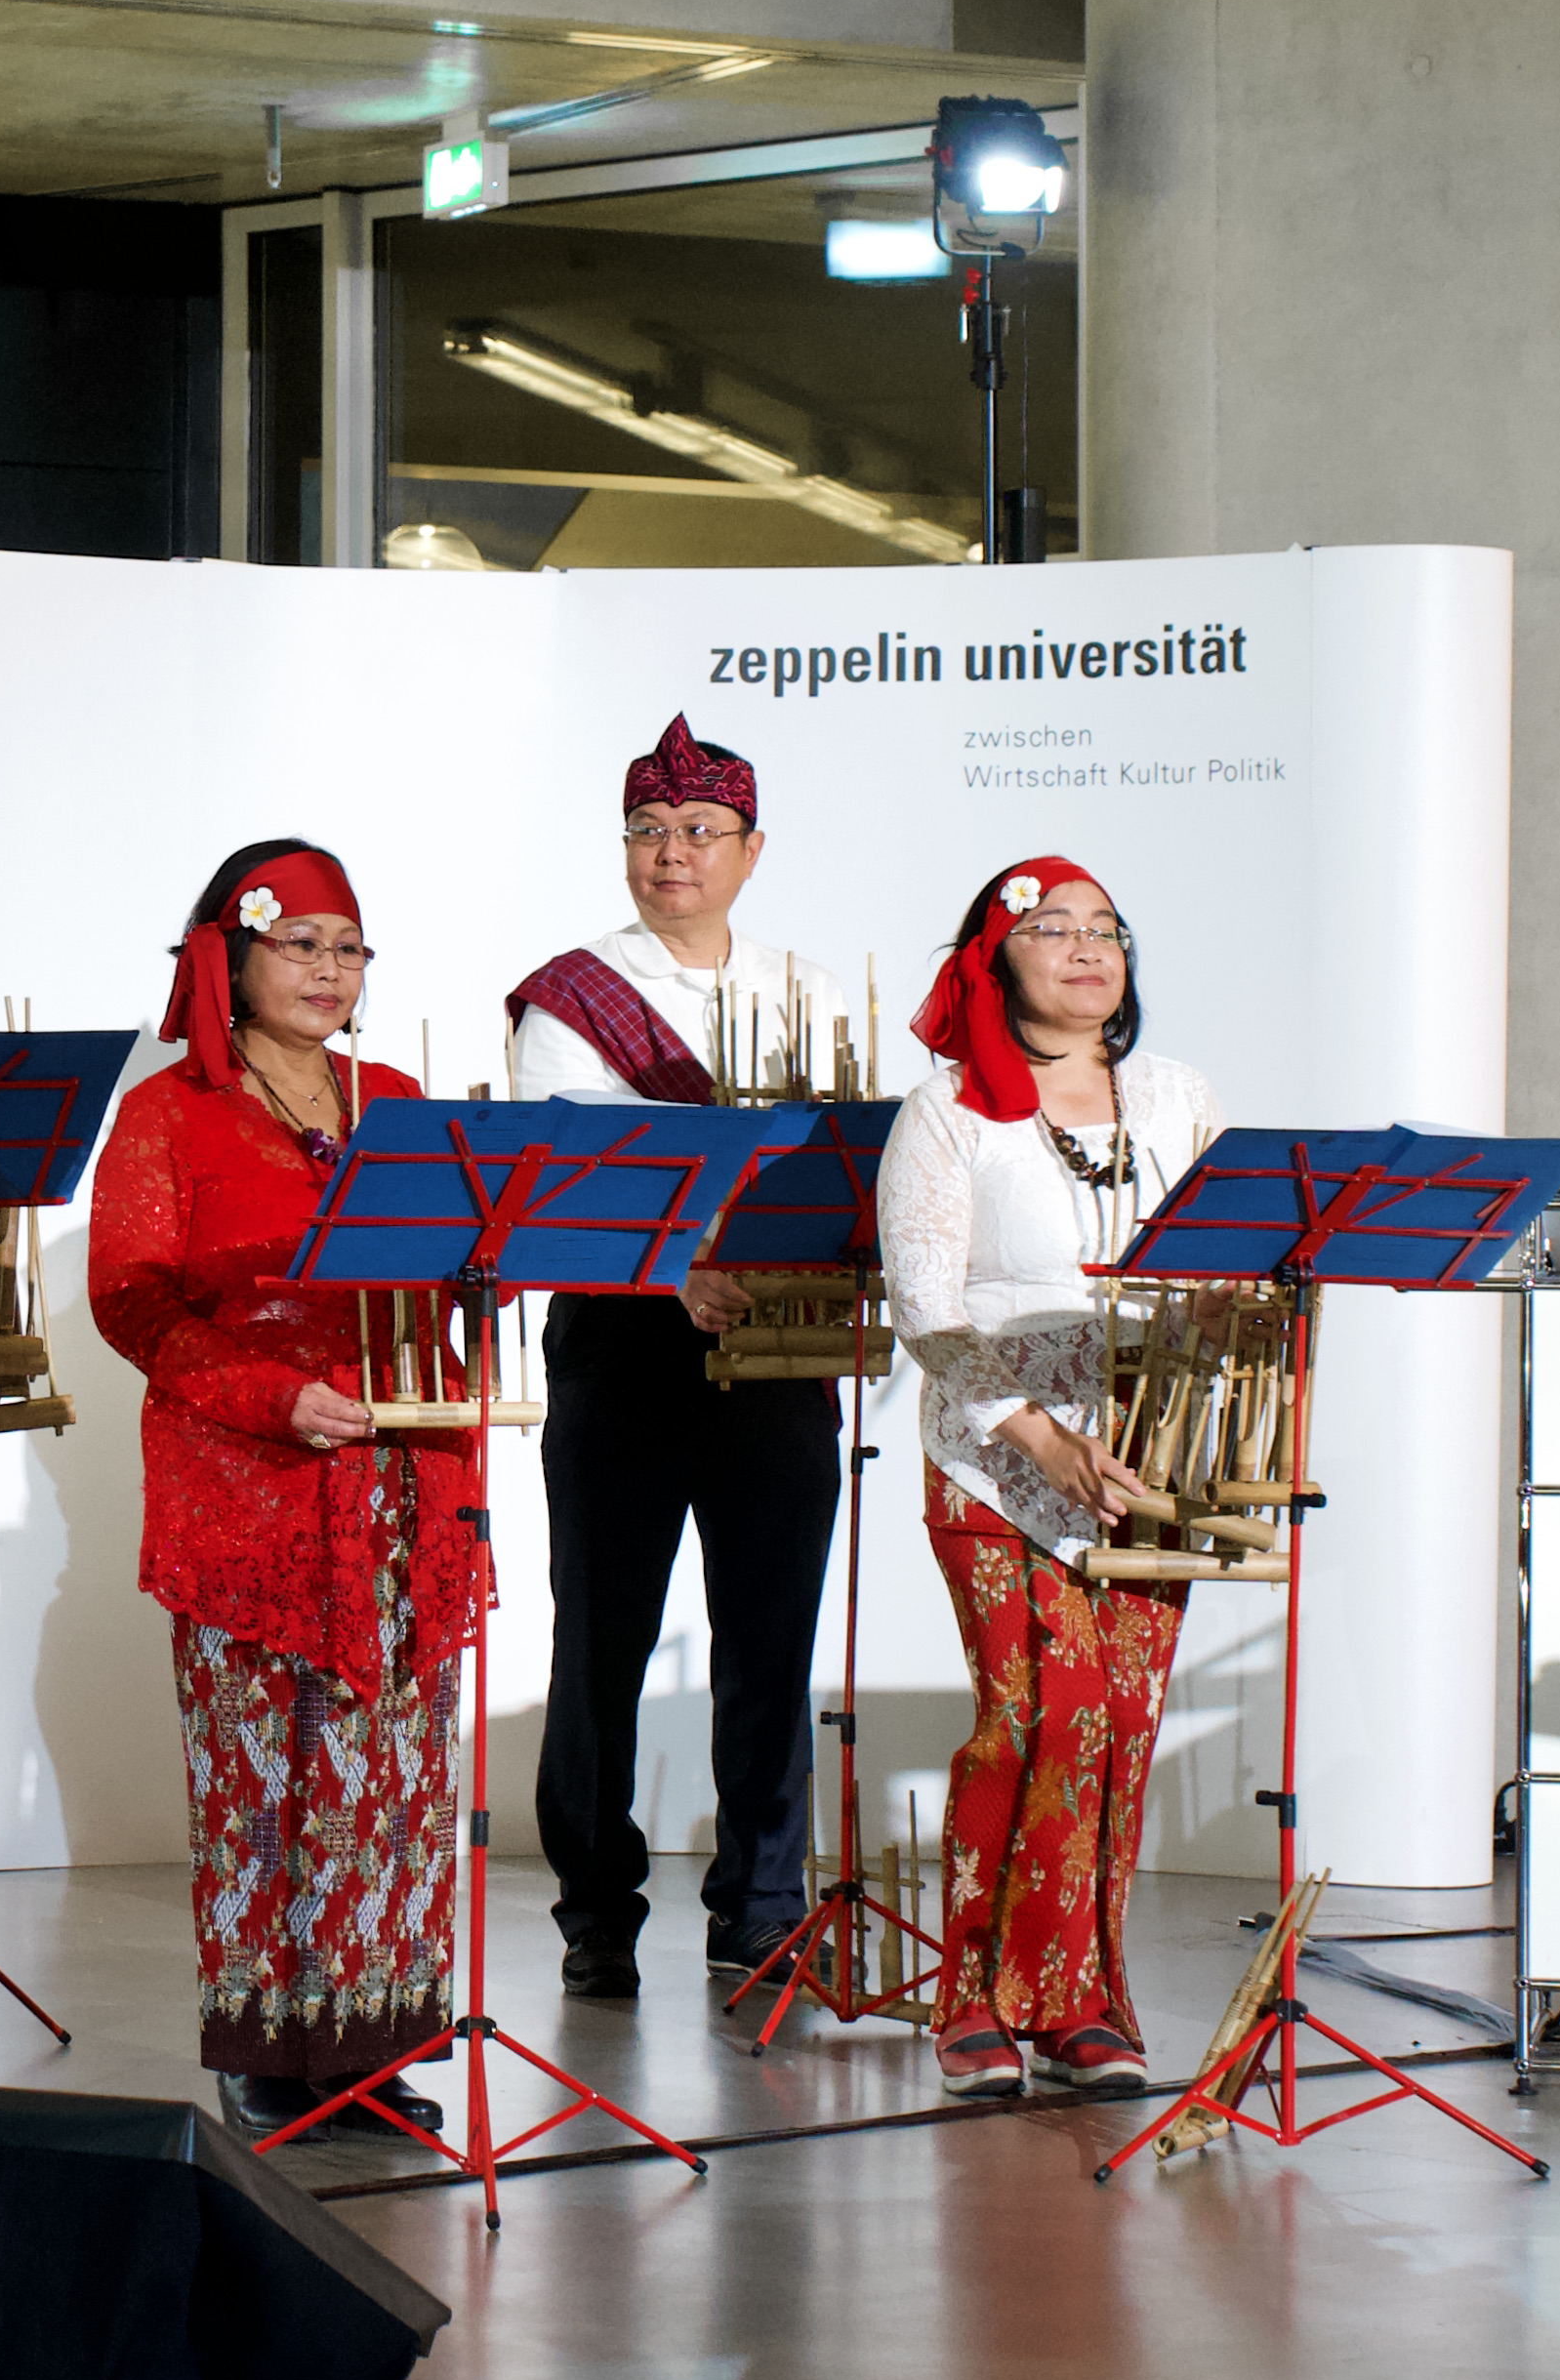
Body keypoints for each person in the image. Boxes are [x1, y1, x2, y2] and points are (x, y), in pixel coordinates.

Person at [85, 841, 482, 2137]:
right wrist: (268, 1393)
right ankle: (273, 2043)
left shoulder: (401, 1099)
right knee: (268, 1774)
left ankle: (372, 2044)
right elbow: (128, 1301)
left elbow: (439, 1279)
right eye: (299, 942)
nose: (327, 968)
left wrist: (494, 1253)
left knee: (393, 1774)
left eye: (347, 946)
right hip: (247, 1489)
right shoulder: (168, 1110)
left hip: (402, 1489)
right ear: (230, 954)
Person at [871, 858, 1223, 2101]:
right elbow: (925, 1305)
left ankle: (1079, 2001)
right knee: (1037, 1718)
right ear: (992, 960)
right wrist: (1040, 1437)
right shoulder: (948, 1112)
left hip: (1147, 1461)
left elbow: (1228, 1269)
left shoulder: (1179, 1098)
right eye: (1051, 929)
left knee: (1122, 1731)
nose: (1087, 948)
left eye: (1106, 930)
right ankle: (970, 1999)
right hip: (996, 1458)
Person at [505, 715, 844, 2001]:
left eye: (698, 831)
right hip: (621, 1347)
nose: (668, 855)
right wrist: (671, 1268)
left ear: (750, 849)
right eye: (646, 831)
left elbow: (836, 1176)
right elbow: (562, 1190)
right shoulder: (569, 997)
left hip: (776, 1349)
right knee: (599, 1639)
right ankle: (595, 1904)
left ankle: (759, 1903)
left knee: (772, 1640)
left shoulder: (803, 991)